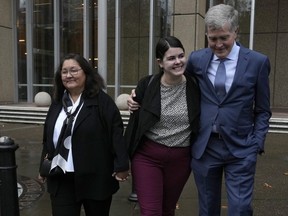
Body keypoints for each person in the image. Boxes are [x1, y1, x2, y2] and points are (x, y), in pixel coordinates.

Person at [128, 4, 271, 216]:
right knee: (207, 208)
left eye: (224, 37)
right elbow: (173, 77)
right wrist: (137, 94)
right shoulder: (197, 59)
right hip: (206, 148)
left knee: (240, 208)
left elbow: (262, 109)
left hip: (241, 148)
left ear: (236, 32)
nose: (218, 44)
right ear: (206, 35)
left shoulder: (258, 62)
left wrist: (256, 142)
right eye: (213, 39)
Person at [38, 53, 129, 216]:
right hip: (61, 177)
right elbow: (49, 137)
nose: (68, 75)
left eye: (74, 70)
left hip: (95, 176)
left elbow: (116, 134)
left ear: (86, 73)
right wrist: (42, 166)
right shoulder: (57, 103)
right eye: (64, 71)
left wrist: (122, 165)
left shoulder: (102, 102)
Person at [125, 36, 200, 216]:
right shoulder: (147, 85)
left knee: (167, 209)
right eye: (171, 58)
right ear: (160, 62)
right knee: (151, 211)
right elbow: (135, 123)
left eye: (181, 56)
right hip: (147, 157)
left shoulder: (196, 84)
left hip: (181, 160)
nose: (178, 62)